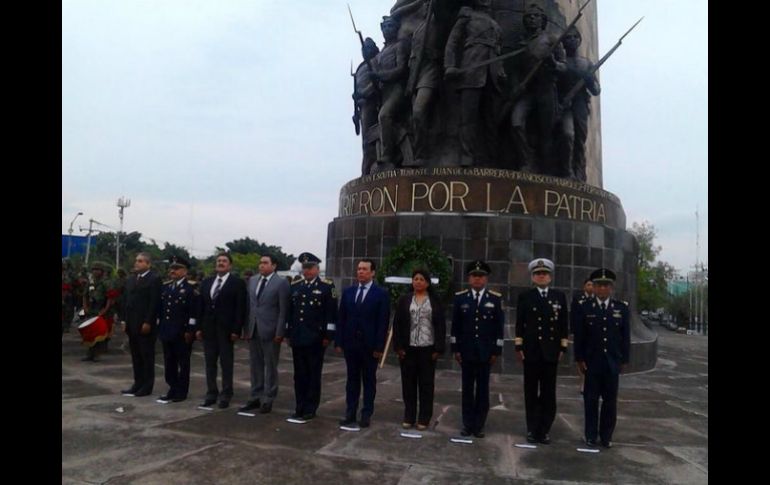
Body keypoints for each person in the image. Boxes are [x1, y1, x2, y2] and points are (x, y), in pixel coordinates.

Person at [573, 268, 630, 448]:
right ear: (594, 288)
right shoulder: (585, 308)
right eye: (599, 285)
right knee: (590, 400)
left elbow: (625, 337)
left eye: (606, 286)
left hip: (612, 362)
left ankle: (606, 436)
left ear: (611, 288)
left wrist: (624, 359)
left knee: (610, 402)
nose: (603, 289)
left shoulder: (621, 308)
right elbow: (580, 336)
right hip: (592, 362)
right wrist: (579, 358)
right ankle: (590, 434)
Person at [444, 0, 505, 167]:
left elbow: (498, 49)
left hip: (492, 73)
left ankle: (491, 158)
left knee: (491, 118)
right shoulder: (467, 15)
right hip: (471, 68)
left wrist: (500, 71)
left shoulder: (495, 24)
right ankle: (466, 156)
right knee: (468, 117)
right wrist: (450, 65)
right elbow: (452, 42)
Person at [514, 258, 568, 444]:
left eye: (544, 273)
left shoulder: (558, 297)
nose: (541, 276)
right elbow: (519, 324)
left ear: (550, 277)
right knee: (530, 392)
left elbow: (563, 324)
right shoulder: (525, 297)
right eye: (538, 273)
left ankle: (544, 429)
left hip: (551, 352)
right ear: (533, 277)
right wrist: (519, 346)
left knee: (548, 394)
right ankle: (532, 428)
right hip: (531, 351)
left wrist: (563, 347)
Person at [509, 3, 567, 173]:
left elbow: (564, 66)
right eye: (528, 17)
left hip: (546, 90)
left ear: (543, 20)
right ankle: (526, 160)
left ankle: (546, 168)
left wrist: (553, 63)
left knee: (546, 133)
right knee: (516, 123)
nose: (532, 19)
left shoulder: (552, 40)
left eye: (535, 16)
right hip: (527, 91)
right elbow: (514, 70)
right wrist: (515, 87)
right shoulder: (521, 43)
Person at [451, 260, 504, 438]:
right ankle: (467, 424)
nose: (477, 279)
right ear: (469, 278)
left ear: (486, 279)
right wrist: (455, 348)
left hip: (485, 353)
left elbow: (499, 327)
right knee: (467, 390)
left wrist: (497, 351)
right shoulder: (461, 298)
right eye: (474, 276)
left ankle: (479, 425)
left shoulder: (494, 299)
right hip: (466, 352)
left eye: (481, 276)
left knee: (482, 391)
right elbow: (456, 326)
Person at [335, 259, 391, 428]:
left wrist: (379, 347)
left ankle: (366, 413)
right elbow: (341, 318)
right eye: (359, 269)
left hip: (369, 346)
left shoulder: (380, 293)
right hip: (351, 344)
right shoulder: (349, 292)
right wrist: (339, 341)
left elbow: (383, 323)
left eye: (365, 269)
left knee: (368, 381)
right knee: (352, 380)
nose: (360, 272)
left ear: (372, 272)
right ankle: (350, 413)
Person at [285, 252, 337, 422]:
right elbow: (290, 312)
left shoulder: (327, 286)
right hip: (298, 337)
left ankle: (310, 407)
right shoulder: (296, 285)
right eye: (304, 268)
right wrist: (288, 332)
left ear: (317, 268)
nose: (306, 271)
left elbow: (331, 314)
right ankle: (299, 406)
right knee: (299, 375)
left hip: (316, 338)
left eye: (309, 268)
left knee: (313, 374)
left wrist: (328, 335)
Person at [392, 268, 446, 430]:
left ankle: (424, 417)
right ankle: (409, 415)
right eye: (415, 279)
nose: (418, 282)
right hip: (408, 349)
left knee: (426, 385)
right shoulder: (405, 300)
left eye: (422, 279)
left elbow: (440, 326)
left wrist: (438, 348)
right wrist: (399, 347)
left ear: (427, 283)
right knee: (408, 384)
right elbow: (398, 324)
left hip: (427, 349)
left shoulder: (434, 301)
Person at [240, 254, 290, 414]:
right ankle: (255, 395)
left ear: (274, 266)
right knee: (255, 365)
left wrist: (280, 331)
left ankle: (269, 397)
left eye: (265, 263)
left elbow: (283, 310)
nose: (261, 265)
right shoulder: (253, 281)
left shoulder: (281, 283)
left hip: (271, 330)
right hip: (254, 329)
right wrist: (246, 329)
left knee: (270, 365)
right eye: (260, 263)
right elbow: (249, 307)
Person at [197, 253, 247, 409]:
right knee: (210, 363)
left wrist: (236, 329)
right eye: (218, 261)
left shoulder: (237, 283)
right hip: (209, 330)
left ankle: (226, 393)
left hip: (226, 330)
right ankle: (211, 392)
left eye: (224, 261)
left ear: (230, 265)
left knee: (226, 364)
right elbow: (201, 307)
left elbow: (240, 308)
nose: (221, 263)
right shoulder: (206, 282)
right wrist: (198, 327)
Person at [556, 26, 600, 181]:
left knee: (580, 140)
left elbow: (596, 90)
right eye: (568, 37)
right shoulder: (561, 62)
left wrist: (588, 79)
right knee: (568, 135)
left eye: (575, 37)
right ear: (563, 41)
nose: (572, 40)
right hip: (565, 104)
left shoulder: (586, 63)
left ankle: (579, 173)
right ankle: (566, 171)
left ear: (580, 40)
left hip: (580, 105)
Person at [157, 255, 200, 403]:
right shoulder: (166, 287)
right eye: (171, 268)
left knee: (183, 363)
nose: (173, 271)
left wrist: (190, 330)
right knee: (169, 362)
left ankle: (181, 391)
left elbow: (193, 313)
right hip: (167, 331)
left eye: (176, 268)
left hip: (182, 332)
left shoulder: (190, 289)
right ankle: (172, 388)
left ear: (185, 271)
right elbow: (162, 311)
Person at [121, 253, 162, 396]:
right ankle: (137, 383)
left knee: (146, 356)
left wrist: (148, 321)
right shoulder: (131, 279)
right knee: (136, 356)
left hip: (145, 324)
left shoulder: (154, 279)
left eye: (140, 261)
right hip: (131, 323)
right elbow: (126, 301)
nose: (136, 263)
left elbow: (154, 303)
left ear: (148, 264)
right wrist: (124, 320)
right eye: (136, 261)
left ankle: (147, 386)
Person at [353, 38, 381, 175]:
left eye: (368, 48)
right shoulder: (360, 68)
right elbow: (356, 88)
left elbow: (377, 82)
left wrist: (365, 93)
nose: (365, 51)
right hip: (362, 106)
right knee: (365, 140)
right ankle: (367, 168)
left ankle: (373, 165)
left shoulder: (376, 61)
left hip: (373, 102)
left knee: (371, 138)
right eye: (363, 49)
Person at [82, 261, 116, 362]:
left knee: (99, 333)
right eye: (93, 270)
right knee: (89, 332)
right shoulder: (91, 282)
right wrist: (85, 307)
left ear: (102, 271)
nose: (95, 272)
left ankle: (97, 354)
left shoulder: (106, 283)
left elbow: (110, 298)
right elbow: (85, 295)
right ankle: (90, 354)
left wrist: (104, 310)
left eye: (97, 270)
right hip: (91, 310)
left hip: (101, 310)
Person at [570, 277, 594, 394]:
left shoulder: (596, 300)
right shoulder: (578, 299)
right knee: (580, 358)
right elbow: (573, 315)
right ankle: (582, 383)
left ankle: (590, 382)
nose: (590, 287)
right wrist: (572, 331)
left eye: (592, 285)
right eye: (588, 285)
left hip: (592, 334)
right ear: (584, 287)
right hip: (580, 333)